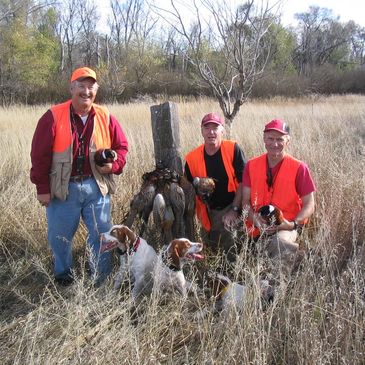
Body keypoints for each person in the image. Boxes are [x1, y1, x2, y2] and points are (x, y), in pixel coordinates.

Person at [30, 66, 128, 286]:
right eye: (81, 86)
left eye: (91, 86)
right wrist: (42, 189)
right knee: (60, 238)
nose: (86, 91)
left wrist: (113, 165)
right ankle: (64, 276)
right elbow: (39, 155)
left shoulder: (105, 115)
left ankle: (100, 279)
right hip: (64, 189)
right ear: (71, 88)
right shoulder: (53, 116)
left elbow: (122, 147)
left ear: (97, 89)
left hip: (97, 187)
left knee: (101, 236)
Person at [242, 119, 316, 276]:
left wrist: (291, 224)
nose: (274, 144)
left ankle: (276, 291)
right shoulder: (251, 165)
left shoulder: (299, 168)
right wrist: (255, 220)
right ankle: (299, 258)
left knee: (278, 243)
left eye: (279, 139)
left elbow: (310, 204)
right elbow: (245, 201)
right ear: (264, 139)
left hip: (287, 225)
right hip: (256, 225)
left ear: (287, 141)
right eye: (270, 138)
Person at [185, 112, 246, 262]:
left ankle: (235, 279)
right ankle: (214, 280)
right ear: (202, 130)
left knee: (231, 253)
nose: (211, 132)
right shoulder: (191, 158)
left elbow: (245, 182)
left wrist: (235, 210)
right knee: (211, 255)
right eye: (207, 128)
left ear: (222, 130)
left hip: (231, 206)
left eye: (215, 127)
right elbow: (188, 189)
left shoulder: (233, 149)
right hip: (206, 212)